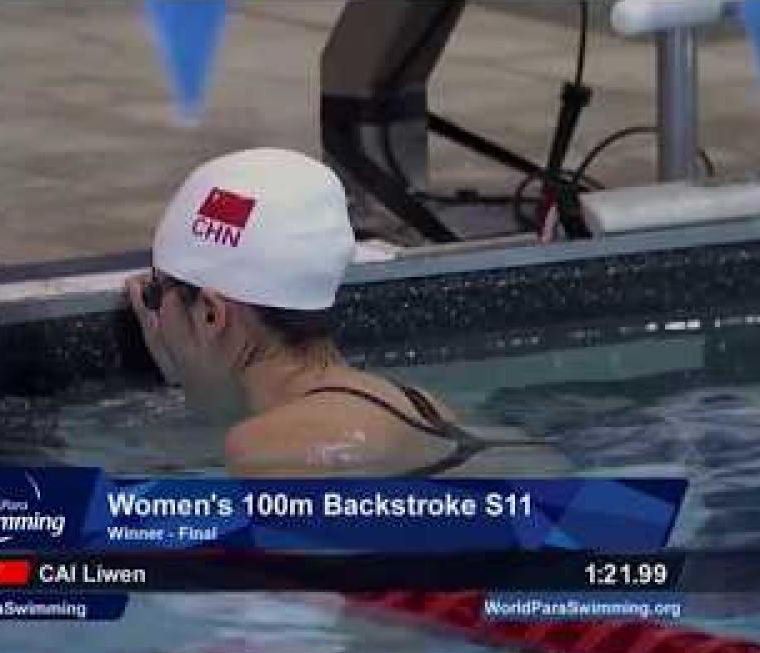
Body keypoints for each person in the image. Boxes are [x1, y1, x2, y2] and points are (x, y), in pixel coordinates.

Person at [126, 147, 563, 477]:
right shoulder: (417, 405)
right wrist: (191, 374)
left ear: (209, 314)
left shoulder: (272, 450)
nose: (156, 322)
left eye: (154, 296)